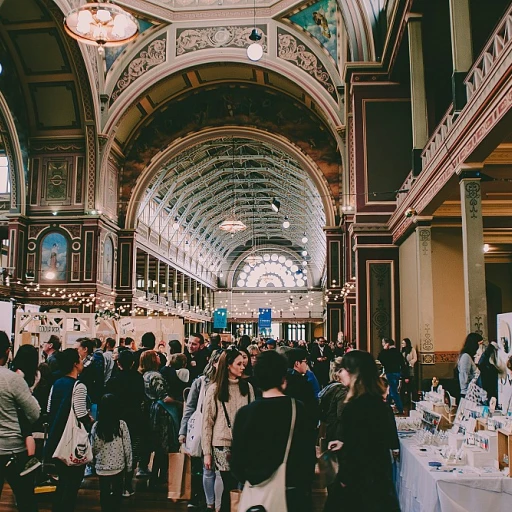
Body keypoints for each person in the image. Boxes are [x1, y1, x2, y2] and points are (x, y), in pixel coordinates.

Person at [231, 350, 315, 512]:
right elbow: (307, 454)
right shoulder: (297, 409)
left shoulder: (245, 413)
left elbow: (237, 462)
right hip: (293, 492)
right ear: (284, 378)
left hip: (257, 496)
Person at [325, 350, 400, 512]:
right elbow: (372, 438)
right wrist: (343, 442)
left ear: (354, 373)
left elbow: (358, 448)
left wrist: (345, 477)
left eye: (343, 369)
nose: (340, 373)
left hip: (359, 479)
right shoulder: (379, 402)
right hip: (379, 475)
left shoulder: (354, 406)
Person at [202, 347, 254, 512]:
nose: (242, 366)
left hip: (244, 444)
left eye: (243, 363)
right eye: (239, 364)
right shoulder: (215, 390)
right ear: (228, 365)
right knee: (229, 484)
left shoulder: (247, 387)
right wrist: (207, 453)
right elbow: (207, 423)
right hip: (222, 444)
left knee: (243, 485)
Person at [46, 348, 93, 512]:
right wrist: (91, 421)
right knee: (72, 483)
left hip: (57, 438)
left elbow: (50, 409)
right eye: (80, 359)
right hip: (72, 440)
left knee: (62, 481)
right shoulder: (79, 386)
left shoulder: (56, 383)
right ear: (75, 364)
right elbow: (80, 413)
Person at [0, 331, 40, 512]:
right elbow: (34, 413)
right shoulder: (12, 379)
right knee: (26, 502)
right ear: (7, 351)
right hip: (13, 450)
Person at [179, 349, 223, 510]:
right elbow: (190, 408)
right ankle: (203, 499)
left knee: (214, 468)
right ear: (213, 362)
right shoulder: (201, 382)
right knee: (203, 466)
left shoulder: (229, 383)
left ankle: (213, 502)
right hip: (202, 429)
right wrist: (183, 431)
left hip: (220, 431)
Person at [105, 350, 146, 496]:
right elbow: (141, 397)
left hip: (117, 419)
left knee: (116, 450)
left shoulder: (113, 380)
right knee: (132, 452)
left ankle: (114, 484)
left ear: (118, 363)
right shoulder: (138, 378)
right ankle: (127, 485)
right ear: (133, 363)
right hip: (135, 418)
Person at [140, 350, 179, 485]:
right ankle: (160, 476)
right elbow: (165, 397)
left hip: (151, 410)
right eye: (156, 356)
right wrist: (180, 403)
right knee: (164, 445)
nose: (159, 357)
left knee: (158, 445)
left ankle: (156, 476)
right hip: (162, 412)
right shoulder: (156, 376)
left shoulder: (145, 375)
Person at [91, 394, 132, 512]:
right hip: (118, 466)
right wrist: (129, 465)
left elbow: (94, 447)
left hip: (102, 466)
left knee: (104, 492)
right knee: (117, 491)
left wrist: (92, 462)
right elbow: (127, 447)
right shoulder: (121, 425)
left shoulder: (97, 426)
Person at [11, 345, 42, 476]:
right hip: (32, 407)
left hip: (17, 409)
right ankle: (32, 459)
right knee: (28, 433)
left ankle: (30, 459)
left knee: (26, 432)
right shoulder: (37, 374)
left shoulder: (16, 374)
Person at [377, 338, 404, 414]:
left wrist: (384, 350)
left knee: (393, 391)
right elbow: (402, 363)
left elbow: (380, 358)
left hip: (390, 372)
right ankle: (387, 406)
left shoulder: (387, 352)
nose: (382, 344)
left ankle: (400, 408)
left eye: (383, 343)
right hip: (397, 372)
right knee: (392, 390)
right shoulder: (398, 352)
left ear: (387, 344)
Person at [457, 332, 483, 399]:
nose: (481, 347)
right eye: (480, 344)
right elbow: (464, 376)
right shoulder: (466, 357)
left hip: (471, 394)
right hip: (468, 394)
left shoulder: (469, 356)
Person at [400, 338, 417, 405]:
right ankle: (403, 401)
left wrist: (410, 362)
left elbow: (415, 358)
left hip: (410, 368)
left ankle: (414, 400)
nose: (402, 344)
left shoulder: (412, 350)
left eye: (403, 343)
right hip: (404, 369)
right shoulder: (402, 350)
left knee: (412, 385)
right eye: (402, 343)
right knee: (403, 387)